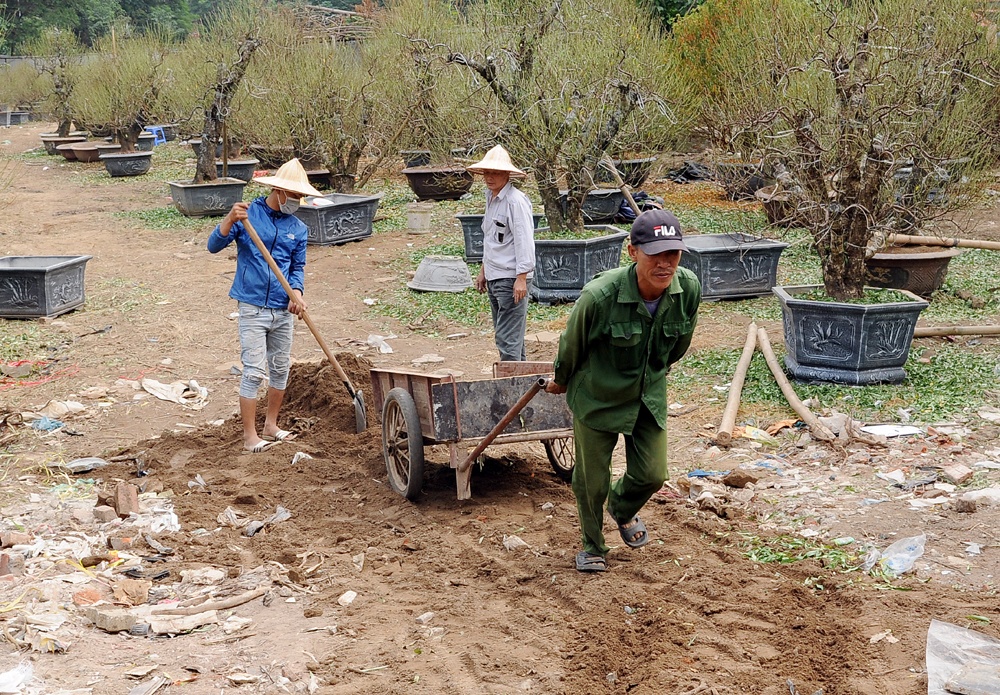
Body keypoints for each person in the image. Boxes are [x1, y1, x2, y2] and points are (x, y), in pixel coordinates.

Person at [545, 209, 701, 572]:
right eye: (655, 255)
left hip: (647, 395)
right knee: (592, 481)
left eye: (673, 254)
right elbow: (571, 344)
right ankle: (593, 546)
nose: (665, 264)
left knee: (652, 474)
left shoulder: (687, 288)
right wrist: (562, 380)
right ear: (632, 252)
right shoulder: (600, 296)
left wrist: (651, 374)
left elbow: (680, 344)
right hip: (598, 396)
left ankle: (622, 507)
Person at [207, 158, 323, 453]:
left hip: (283, 309)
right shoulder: (248, 215)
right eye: (293, 196)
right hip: (253, 306)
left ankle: (271, 426)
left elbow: (297, 267)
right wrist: (229, 220)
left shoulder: (298, 228)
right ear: (278, 191)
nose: (297, 201)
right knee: (254, 371)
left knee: (281, 368)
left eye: (300, 197)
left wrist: (296, 293)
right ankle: (250, 436)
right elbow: (213, 246)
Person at [466, 145, 536, 361]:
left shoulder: (515, 201)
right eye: (487, 172)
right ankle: (520, 383)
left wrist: (522, 278)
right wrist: (483, 270)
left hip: (511, 278)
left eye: (495, 172)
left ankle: (509, 386)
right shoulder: (491, 198)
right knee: (509, 336)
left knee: (507, 339)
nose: (489, 177)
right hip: (495, 275)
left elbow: (524, 240)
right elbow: (491, 239)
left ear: (507, 174)